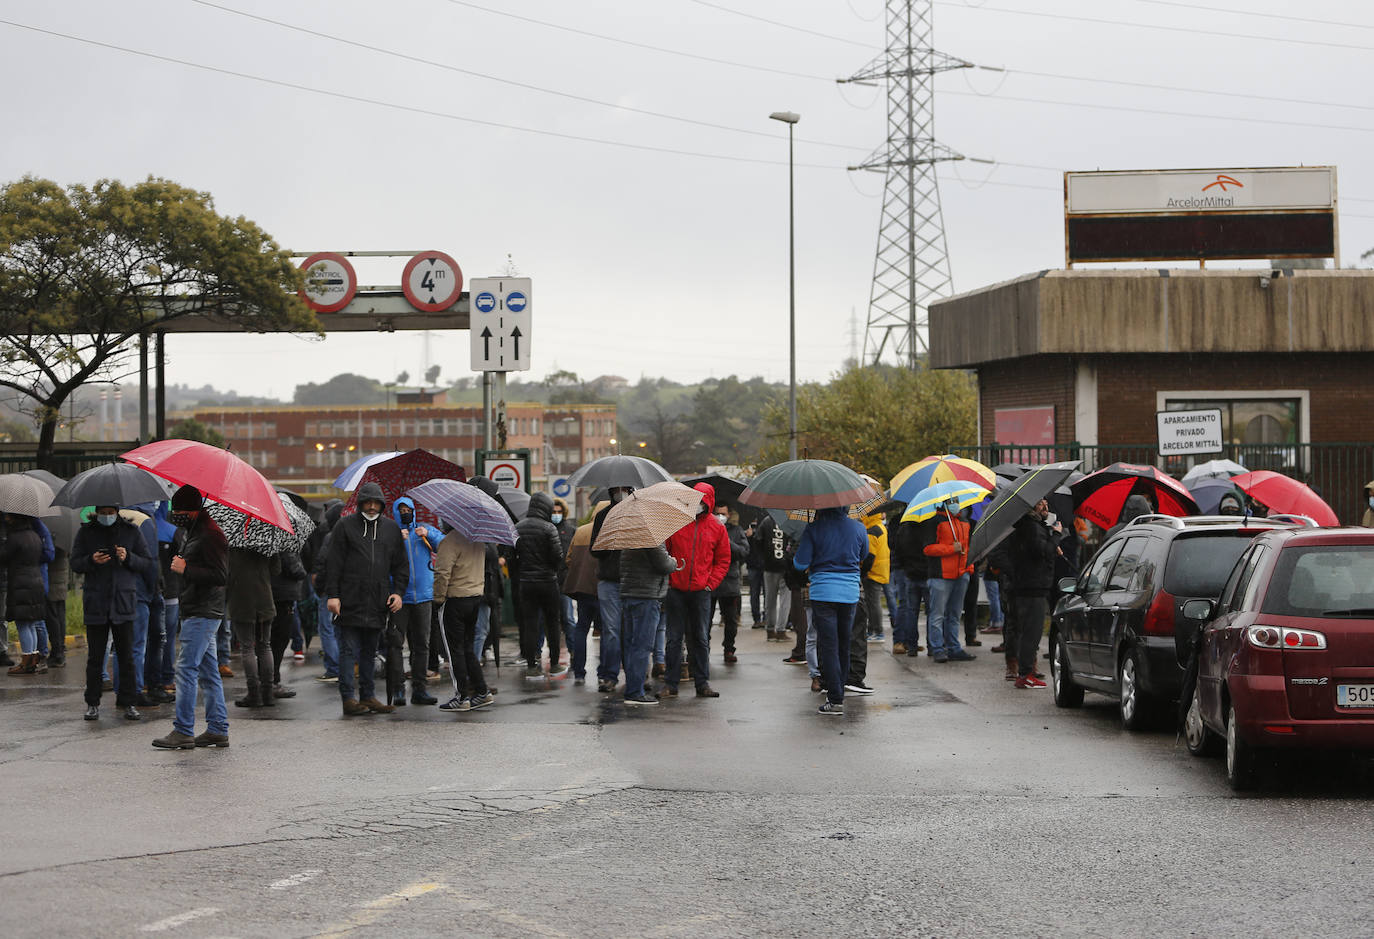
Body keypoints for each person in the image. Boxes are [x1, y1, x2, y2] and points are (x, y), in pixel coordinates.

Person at [152, 485, 231, 749]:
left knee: (186, 669)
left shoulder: (211, 535)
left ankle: (183, 730)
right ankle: (218, 728)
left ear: (194, 511)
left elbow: (220, 576)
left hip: (203, 611)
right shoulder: (195, 531)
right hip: (198, 608)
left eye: (180, 510)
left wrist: (186, 568)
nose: (176, 515)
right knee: (209, 673)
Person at [325, 481, 408, 717]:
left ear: (382, 505)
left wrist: (398, 592)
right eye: (367, 502)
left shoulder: (391, 529)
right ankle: (348, 699)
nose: (372, 507)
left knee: (370, 651)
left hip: (378, 601)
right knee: (349, 651)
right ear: (360, 503)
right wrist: (333, 595)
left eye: (376, 503)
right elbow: (334, 563)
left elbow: (401, 565)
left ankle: (368, 696)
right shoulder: (345, 526)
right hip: (349, 599)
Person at [72, 505, 154, 722]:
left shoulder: (131, 531)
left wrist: (128, 557)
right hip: (96, 602)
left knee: (126, 656)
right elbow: (75, 563)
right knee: (95, 658)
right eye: (103, 511)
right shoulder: (86, 532)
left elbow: (146, 562)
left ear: (117, 511)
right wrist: (91, 560)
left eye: (110, 511)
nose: (107, 516)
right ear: (97, 511)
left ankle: (128, 702)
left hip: (123, 601)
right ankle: (92, 703)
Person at [794, 506, 870, 715]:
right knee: (844, 643)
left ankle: (835, 698)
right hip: (850, 593)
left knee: (828, 645)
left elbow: (800, 564)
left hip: (823, 593)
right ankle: (840, 691)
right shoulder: (859, 527)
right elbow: (864, 553)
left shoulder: (814, 528)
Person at [661, 483, 731, 700]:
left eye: (703, 500)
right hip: (677, 590)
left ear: (708, 501)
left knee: (700, 638)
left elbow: (723, 559)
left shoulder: (717, 527)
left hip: (701, 591)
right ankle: (671, 684)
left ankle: (702, 683)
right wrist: (670, 578)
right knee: (674, 638)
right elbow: (665, 551)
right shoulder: (676, 522)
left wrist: (711, 583)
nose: (699, 504)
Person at [388, 496, 442, 706]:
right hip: (399, 598)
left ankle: (420, 689)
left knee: (422, 645)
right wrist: (397, 542)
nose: (405, 513)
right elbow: (383, 559)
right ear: (395, 512)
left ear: (413, 510)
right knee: (395, 644)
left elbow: (444, 545)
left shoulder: (424, 530)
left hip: (424, 597)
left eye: (407, 509)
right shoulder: (391, 534)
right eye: (400, 510)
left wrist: (430, 536)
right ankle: (398, 689)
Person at [431, 526, 492, 712]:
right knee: (467, 648)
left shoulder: (449, 541)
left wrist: (438, 599)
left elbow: (442, 574)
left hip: (454, 599)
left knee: (454, 650)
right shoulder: (478, 540)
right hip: (474, 597)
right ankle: (481, 691)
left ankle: (462, 696)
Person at [1008, 498, 1060, 689]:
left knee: (1029, 631)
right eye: (1040, 504)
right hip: (1033, 586)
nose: (1045, 507)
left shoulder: (1028, 526)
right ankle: (1025, 674)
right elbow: (1041, 552)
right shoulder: (1032, 527)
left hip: (1028, 584)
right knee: (1032, 632)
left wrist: (1051, 540)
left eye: (1046, 503)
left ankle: (1025, 672)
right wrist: (1055, 536)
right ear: (1031, 508)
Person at [514, 492, 568, 679]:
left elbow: (511, 555)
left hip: (526, 582)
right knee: (552, 623)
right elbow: (557, 556)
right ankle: (554, 665)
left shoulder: (518, 527)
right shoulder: (549, 528)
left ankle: (531, 666)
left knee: (530, 624)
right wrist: (550, 569)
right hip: (548, 582)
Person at [619, 542, 676, 705]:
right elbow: (664, 564)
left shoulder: (629, 538)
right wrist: (674, 561)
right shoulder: (652, 539)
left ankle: (632, 688)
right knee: (642, 646)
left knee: (631, 645)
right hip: (647, 595)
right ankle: (635, 691)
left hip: (630, 594)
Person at [589, 487, 632, 692]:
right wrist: (611, 537)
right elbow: (594, 549)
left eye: (625, 489)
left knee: (632, 631)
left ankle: (635, 674)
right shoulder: (603, 516)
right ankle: (609, 675)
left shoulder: (637, 513)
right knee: (612, 631)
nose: (621, 493)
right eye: (618, 489)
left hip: (633, 580)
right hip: (609, 580)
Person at [0, 513, 53, 676]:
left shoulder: (15, 538)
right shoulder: (34, 535)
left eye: (9, 517)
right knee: (31, 623)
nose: (6, 518)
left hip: (21, 583)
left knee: (23, 624)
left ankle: (26, 661)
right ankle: (33, 658)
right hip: (35, 581)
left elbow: (3, 557)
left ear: (16, 519)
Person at [923, 502, 976, 664]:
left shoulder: (964, 522)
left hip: (961, 574)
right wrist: (951, 549)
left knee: (954, 614)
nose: (957, 504)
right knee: (937, 614)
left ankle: (954, 647)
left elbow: (968, 546)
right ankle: (938, 648)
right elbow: (928, 548)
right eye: (952, 501)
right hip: (941, 575)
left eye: (957, 501)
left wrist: (969, 566)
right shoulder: (933, 522)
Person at [846, 508, 888, 696]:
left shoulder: (871, 530)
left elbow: (868, 556)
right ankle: (877, 630)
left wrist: (862, 573)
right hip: (881, 570)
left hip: (872, 573)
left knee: (872, 604)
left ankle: (877, 630)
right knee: (873, 603)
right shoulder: (879, 527)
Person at [562, 502, 604, 685]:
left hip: (583, 589)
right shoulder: (609, 531)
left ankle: (579, 670)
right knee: (607, 631)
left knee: (581, 628)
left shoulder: (580, 531)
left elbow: (569, 559)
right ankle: (604, 672)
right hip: (604, 590)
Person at [308, 500, 343, 682]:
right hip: (346, 590)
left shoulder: (330, 537)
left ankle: (333, 668)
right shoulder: (351, 535)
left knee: (326, 628)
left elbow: (322, 563)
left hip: (329, 590)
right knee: (339, 630)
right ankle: (343, 666)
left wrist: (319, 586)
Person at [710, 504, 750, 665]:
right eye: (717, 513)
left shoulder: (736, 530)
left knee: (731, 620)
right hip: (710, 581)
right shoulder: (707, 528)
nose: (721, 516)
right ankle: (703, 648)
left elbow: (743, 552)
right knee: (704, 620)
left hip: (730, 581)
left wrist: (726, 541)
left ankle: (729, 649)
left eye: (723, 514)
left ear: (729, 514)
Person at [268, 548, 307, 701]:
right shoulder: (284, 541)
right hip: (283, 595)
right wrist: (302, 570)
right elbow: (294, 568)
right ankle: (273, 681)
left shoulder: (262, 538)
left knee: (267, 641)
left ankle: (266, 680)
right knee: (278, 641)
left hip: (270, 593)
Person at [751, 512, 792, 642]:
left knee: (770, 600)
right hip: (785, 567)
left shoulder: (766, 521)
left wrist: (762, 560)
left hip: (769, 566)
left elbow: (757, 540)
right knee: (785, 600)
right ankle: (781, 630)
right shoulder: (789, 521)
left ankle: (770, 630)